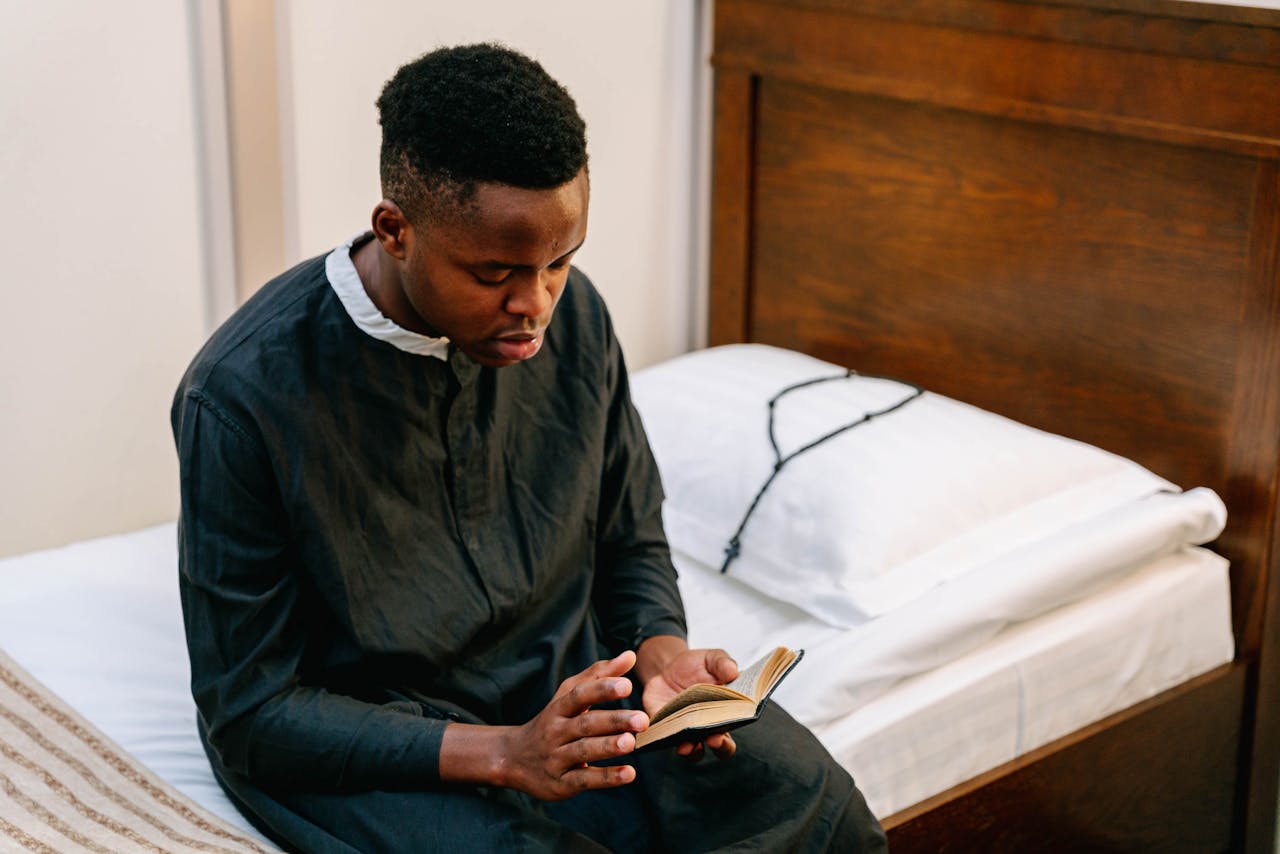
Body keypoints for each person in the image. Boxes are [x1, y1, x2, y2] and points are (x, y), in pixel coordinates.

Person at [171, 42, 886, 853]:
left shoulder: (575, 318)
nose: (536, 303)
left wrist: (662, 659)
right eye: (494, 274)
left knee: (807, 796)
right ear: (395, 230)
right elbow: (252, 711)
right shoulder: (240, 397)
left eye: (561, 261)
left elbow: (629, 537)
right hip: (371, 729)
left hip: (568, 679)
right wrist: (508, 753)